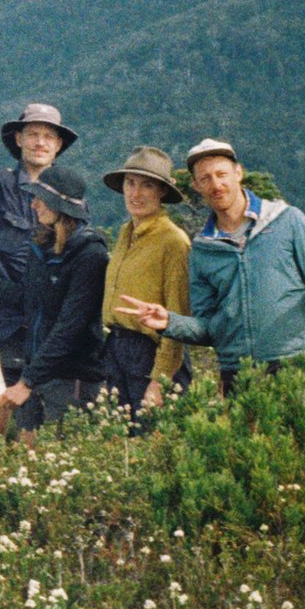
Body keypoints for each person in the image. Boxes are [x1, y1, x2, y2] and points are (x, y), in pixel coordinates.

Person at [119, 138, 305, 392]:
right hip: (237, 373)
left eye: (221, 174)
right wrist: (169, 322)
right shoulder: (202, 250)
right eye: (205, 179)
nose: (216, 185)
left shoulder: (288, 221)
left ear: (238, 173)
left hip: (296, 363)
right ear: (196, 185)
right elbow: (208, 327)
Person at [0, 44, 78, 438]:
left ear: (58, 147)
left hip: (46, 336)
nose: (41, 141)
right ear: (19, 140)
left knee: (36, 441)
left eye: (49, 137)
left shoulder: (72, 206)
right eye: (34, 134)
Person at [0, 164, 107, 439]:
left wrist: (27, 381)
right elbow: (29, 301)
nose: (34, 204)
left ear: (60, 206)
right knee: (29, 461)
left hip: (71, 378)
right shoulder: (41, 247)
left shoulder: (91, 256)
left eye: (41, 198)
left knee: (60, 460)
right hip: (38, 374)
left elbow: (70, 327)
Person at [98, 145, 191, 425]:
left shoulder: (173, 242)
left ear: (161, 191)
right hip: (116, 348)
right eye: (130, 183)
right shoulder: (127, 232)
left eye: (146, 185)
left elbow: (178, 317)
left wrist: (159, 381)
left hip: (151, 356)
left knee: (152, 443)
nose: (135, 194)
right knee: (120, 447)